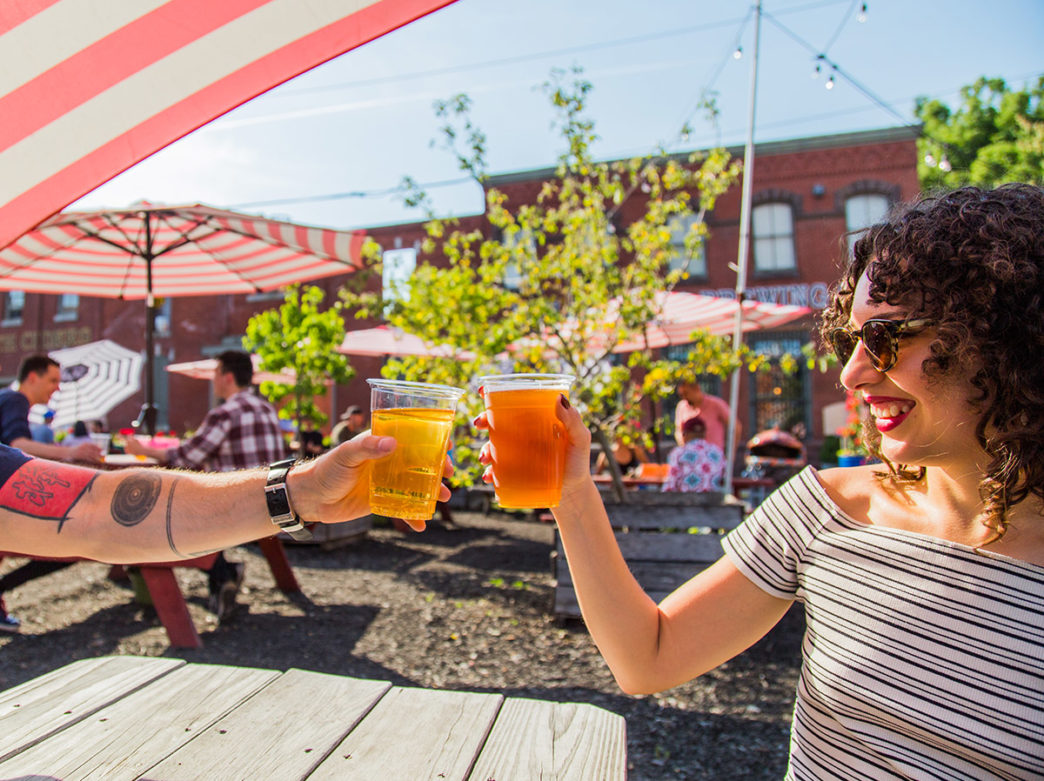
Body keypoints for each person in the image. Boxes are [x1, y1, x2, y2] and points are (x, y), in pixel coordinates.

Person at [476, 185, 1044, 778]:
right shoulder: (826, 511)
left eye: (886, 338)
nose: (851, 374)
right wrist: (573, 494)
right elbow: (648, 658)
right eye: (852, 340)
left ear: (1004, 339)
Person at [125, 350, 283, 622]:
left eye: (215, 373)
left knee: (161, 521)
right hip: (271, 504)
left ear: (228, 377)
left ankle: (220, 576)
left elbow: (187, 457)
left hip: (235, 506)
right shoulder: (267, 409)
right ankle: (223, 575)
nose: (213, 380)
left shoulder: (225, 413)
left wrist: (143, 449)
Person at [0, 355, 103, 631]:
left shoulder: (10, 400)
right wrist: (71, 452)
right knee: (65, 543)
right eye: (53, 380)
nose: (57, 388)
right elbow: (17, 443)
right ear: (32, 377)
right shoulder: (15, 400)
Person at [661, 415, 725, 493]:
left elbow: (670, 486)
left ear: (684, 434)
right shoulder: (717, 452)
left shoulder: (679, 453)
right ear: (704, 433)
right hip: (714, 501)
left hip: (686, 502)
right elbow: (724, 477)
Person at [673, 381, 735, 451]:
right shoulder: (682, 407)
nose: (684, 397)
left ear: (697, 388)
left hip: (713, 457)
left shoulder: (716, 404)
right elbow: (678, 431)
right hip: (690, 457)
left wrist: (731, 454)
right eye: (681, 395)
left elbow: (735, 426)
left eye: (686, 393)